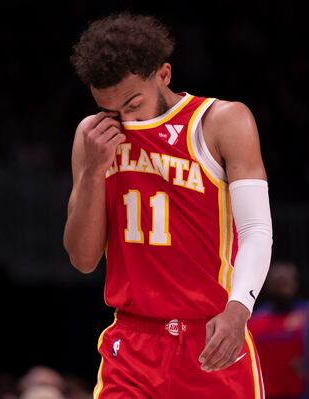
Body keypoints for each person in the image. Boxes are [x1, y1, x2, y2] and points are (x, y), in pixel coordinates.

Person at [64, 12, 273, 398]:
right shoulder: (92, 137)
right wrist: (94, 171)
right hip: (133, 343)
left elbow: (256, 230)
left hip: (212, 334)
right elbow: (83, 259)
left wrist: (239, 307)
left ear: (163, 75)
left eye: (133, 104)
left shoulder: (223, 121)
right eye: (110, 110)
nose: (124, 120)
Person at [248, 261, 309, 399]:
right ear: (268, 284)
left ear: (295, 282)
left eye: (287, 281)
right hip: (265, 393)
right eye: (278, 281)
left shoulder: (306, 314)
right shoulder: (253, 320)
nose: (283, 287)